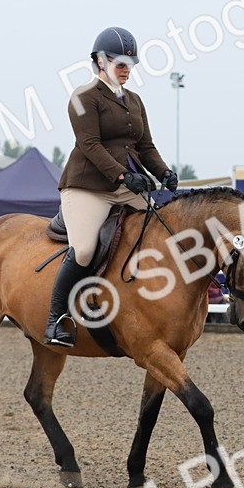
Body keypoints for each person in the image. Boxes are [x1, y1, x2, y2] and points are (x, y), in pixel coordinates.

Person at [45, 26, 178, 346]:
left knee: (164, 231)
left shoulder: (135, 101)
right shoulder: (82, 98)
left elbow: (145, 146)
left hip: (128, 185)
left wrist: (164, 172)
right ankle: (56, 319)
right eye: (120, 64)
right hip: (87, 187)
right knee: (85, 249)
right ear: (100, 62)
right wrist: (122, 176)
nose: (126, 71)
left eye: (129, 66)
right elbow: (89, 144)